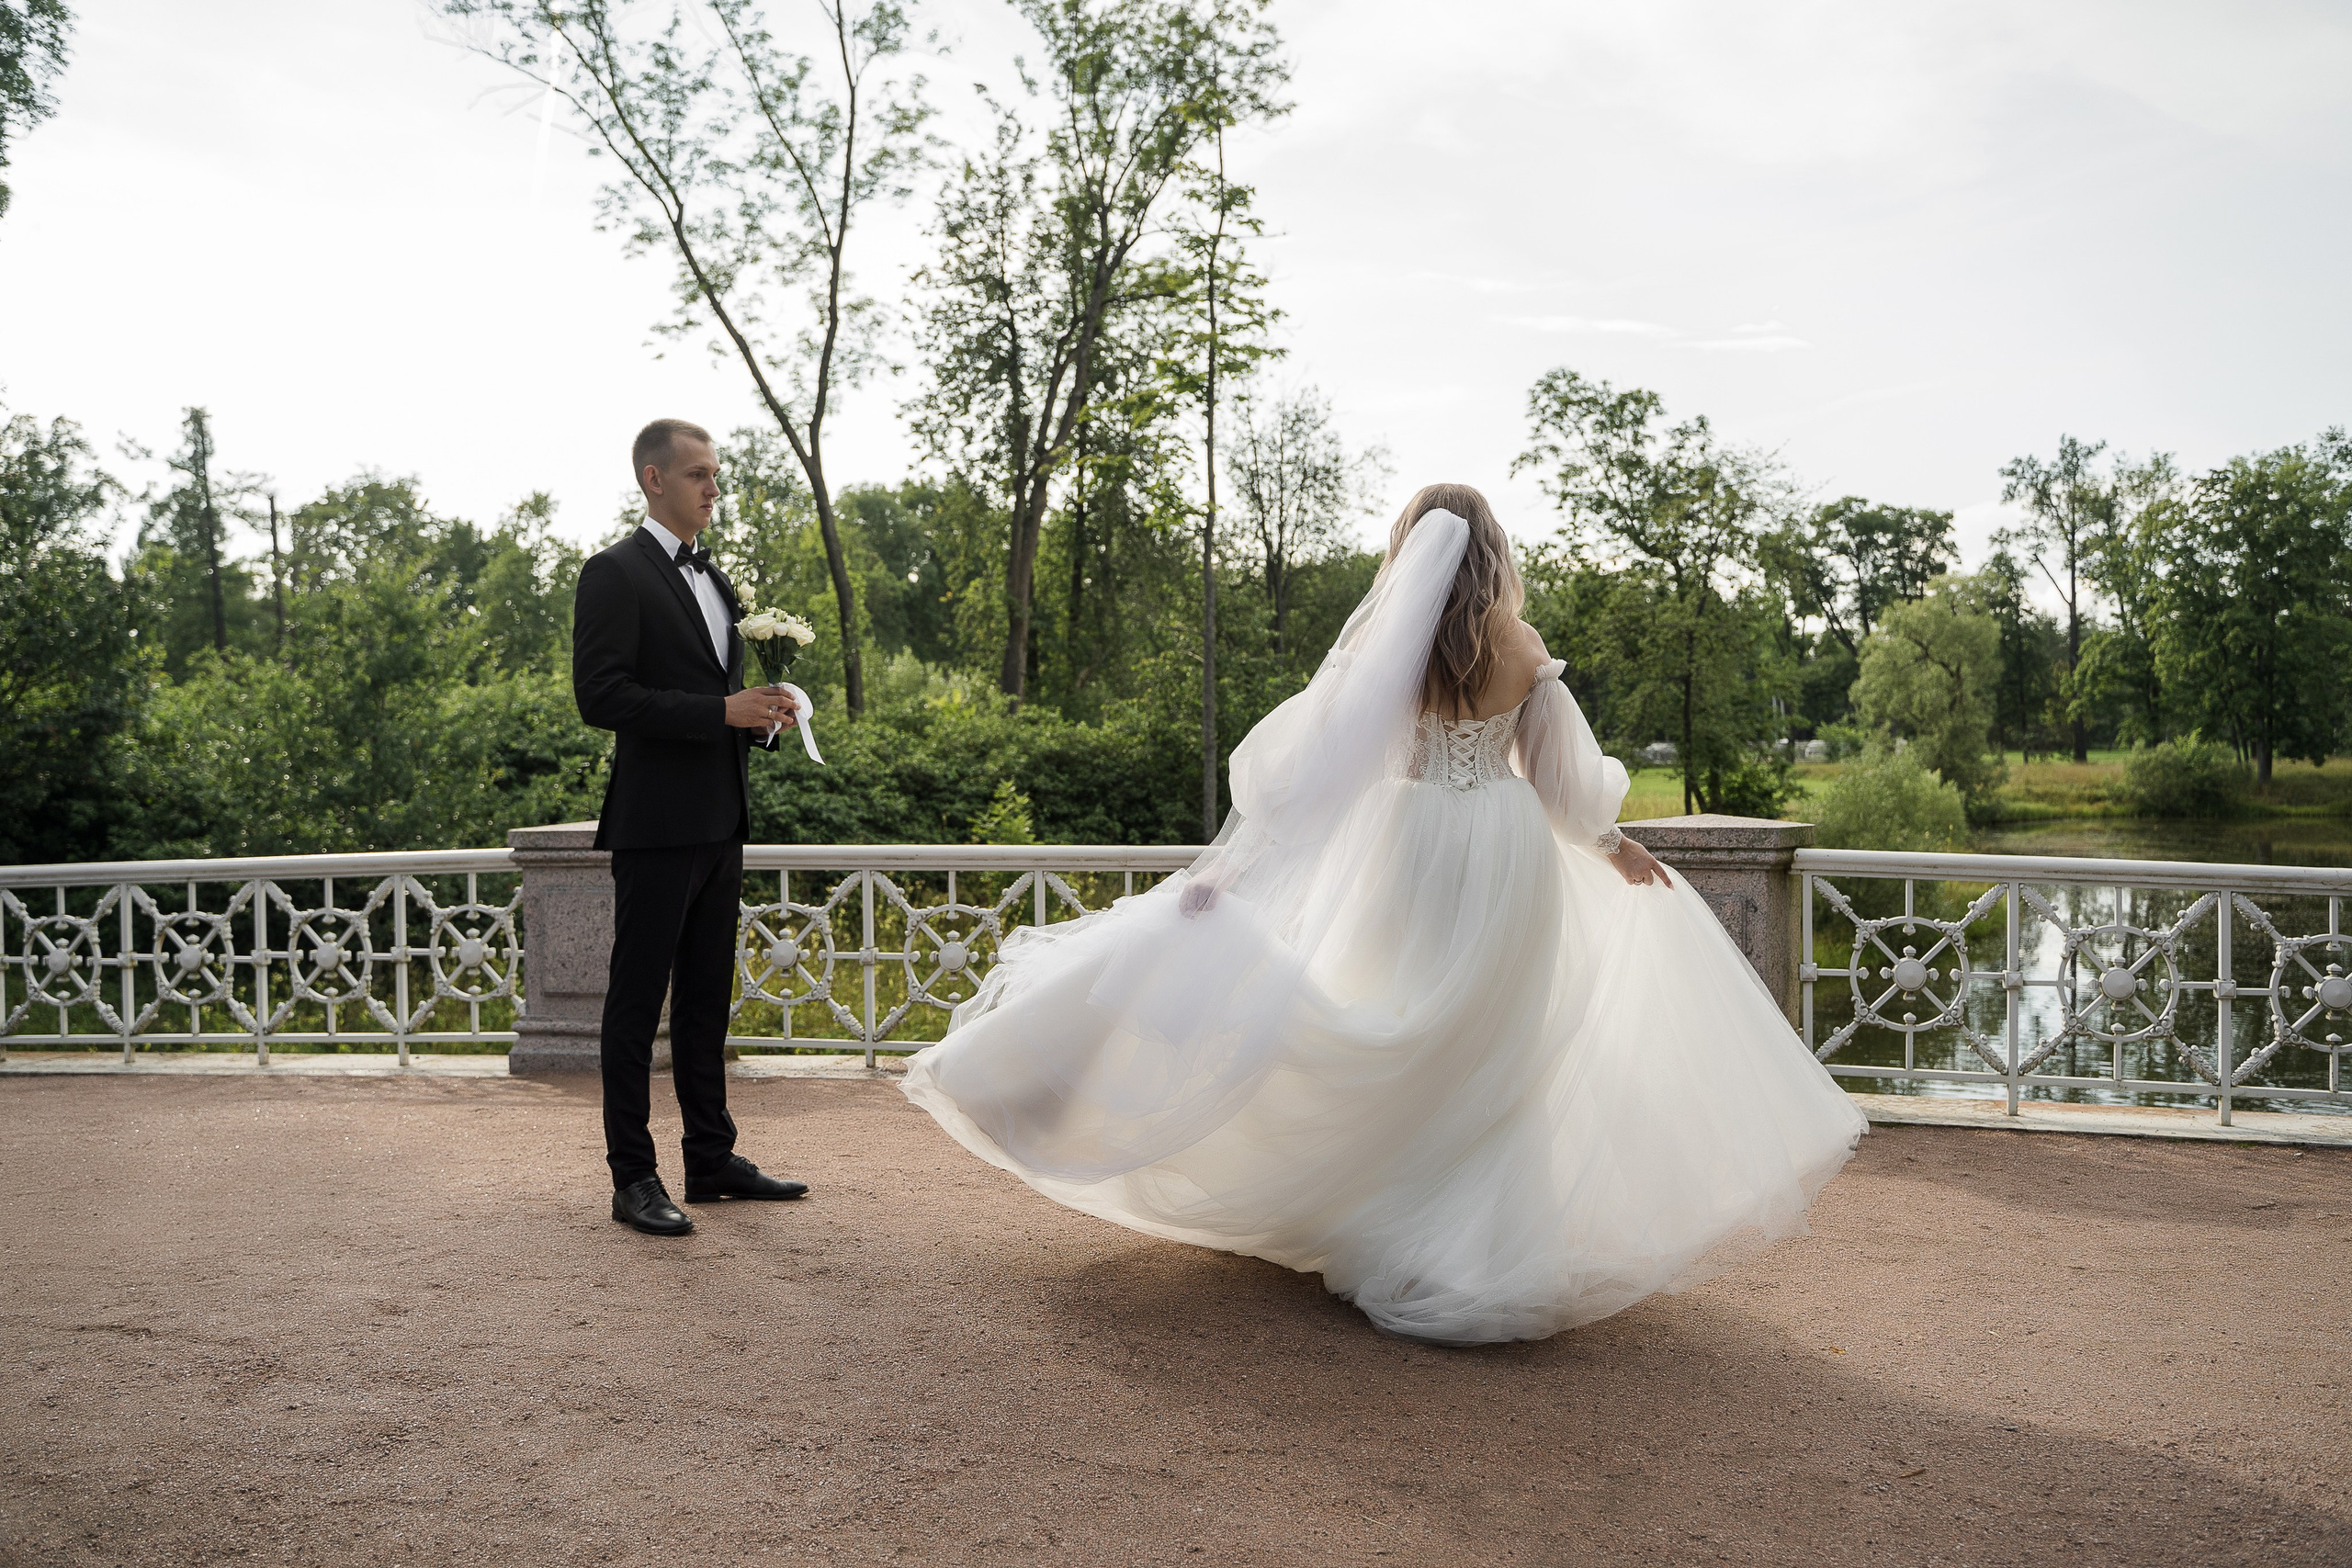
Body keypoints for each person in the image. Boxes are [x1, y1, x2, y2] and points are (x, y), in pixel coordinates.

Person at [900, 483, 1865, 1344]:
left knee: (1377, 1008)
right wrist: (1619, 848)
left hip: (1406, 847)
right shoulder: (1523, 650)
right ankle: (1468, 1243)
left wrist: (1230, 878)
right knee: (1493, 1050)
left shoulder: (1383, 655)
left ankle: (1363, 1206)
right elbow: (1566, 790)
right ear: (1496, 552)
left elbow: (1307, 786)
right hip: (1501, 847)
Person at [571, 418, 812, 1236]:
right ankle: (631, 1176)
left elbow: (719, 705)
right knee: (638, 1005)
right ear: (653, 480)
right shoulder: (612, 573)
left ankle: (709, 1159)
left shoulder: (721, 583)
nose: (714, 487)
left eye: (716, 474)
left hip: (722, 821)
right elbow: (600, 697)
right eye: (699, 473)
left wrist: (758, 722)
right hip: (653, 825)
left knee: (709, 1001)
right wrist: (718, 709)